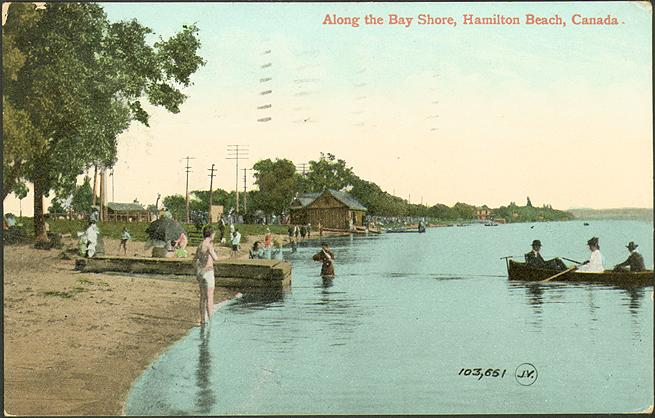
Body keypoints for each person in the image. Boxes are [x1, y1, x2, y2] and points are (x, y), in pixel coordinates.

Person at [194, 225, 219, 325]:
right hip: (208, 272)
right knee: (210, 297)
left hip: (201, 272)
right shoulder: (209, 245)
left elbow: (194, 260)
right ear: (211, 234)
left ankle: (202, 320)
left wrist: (197, 270)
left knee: (202, 297)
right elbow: (215, 258)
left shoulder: (200, 245)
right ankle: (211, 321)